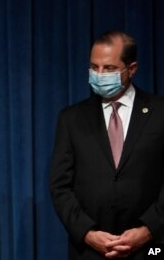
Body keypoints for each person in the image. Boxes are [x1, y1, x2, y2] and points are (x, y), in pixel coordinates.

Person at [50, 31, 164, 259]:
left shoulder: (160, 112)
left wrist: (148, 230)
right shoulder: (71, 118)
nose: (99, 74)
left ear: (131, 69)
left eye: (109, 68)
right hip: (90, 249)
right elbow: (60, 186)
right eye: (94, 67)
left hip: (151, 248)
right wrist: (87, 233)